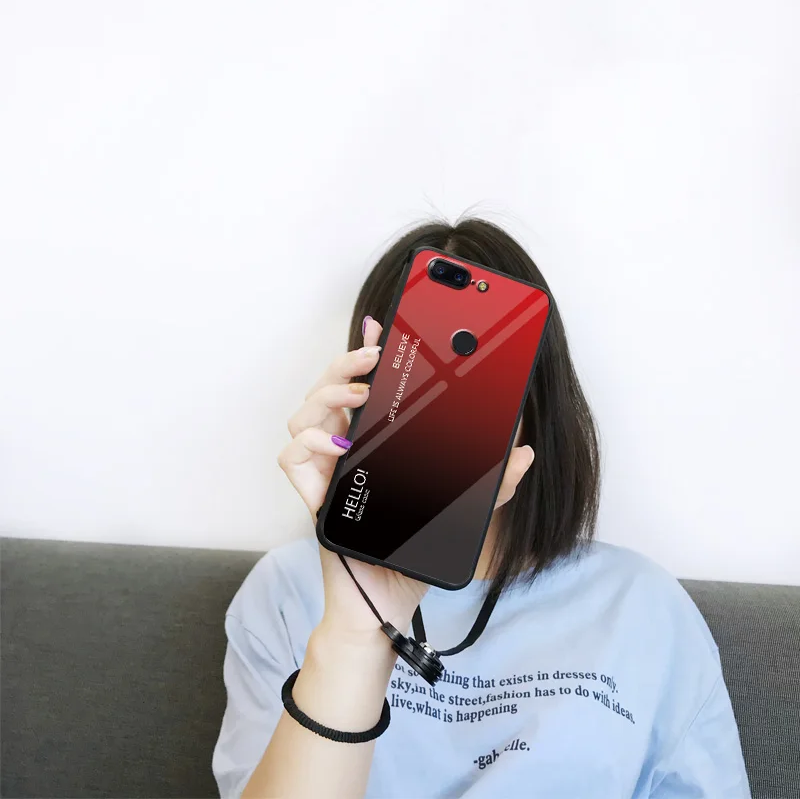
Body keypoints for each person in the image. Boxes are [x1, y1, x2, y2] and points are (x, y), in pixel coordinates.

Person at [212, 218, 751, 798]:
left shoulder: (642, 609)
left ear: (536, 405)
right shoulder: (286, 596)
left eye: (475, 377)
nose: (438, 414)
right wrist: (354, 633)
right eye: (416, 377)